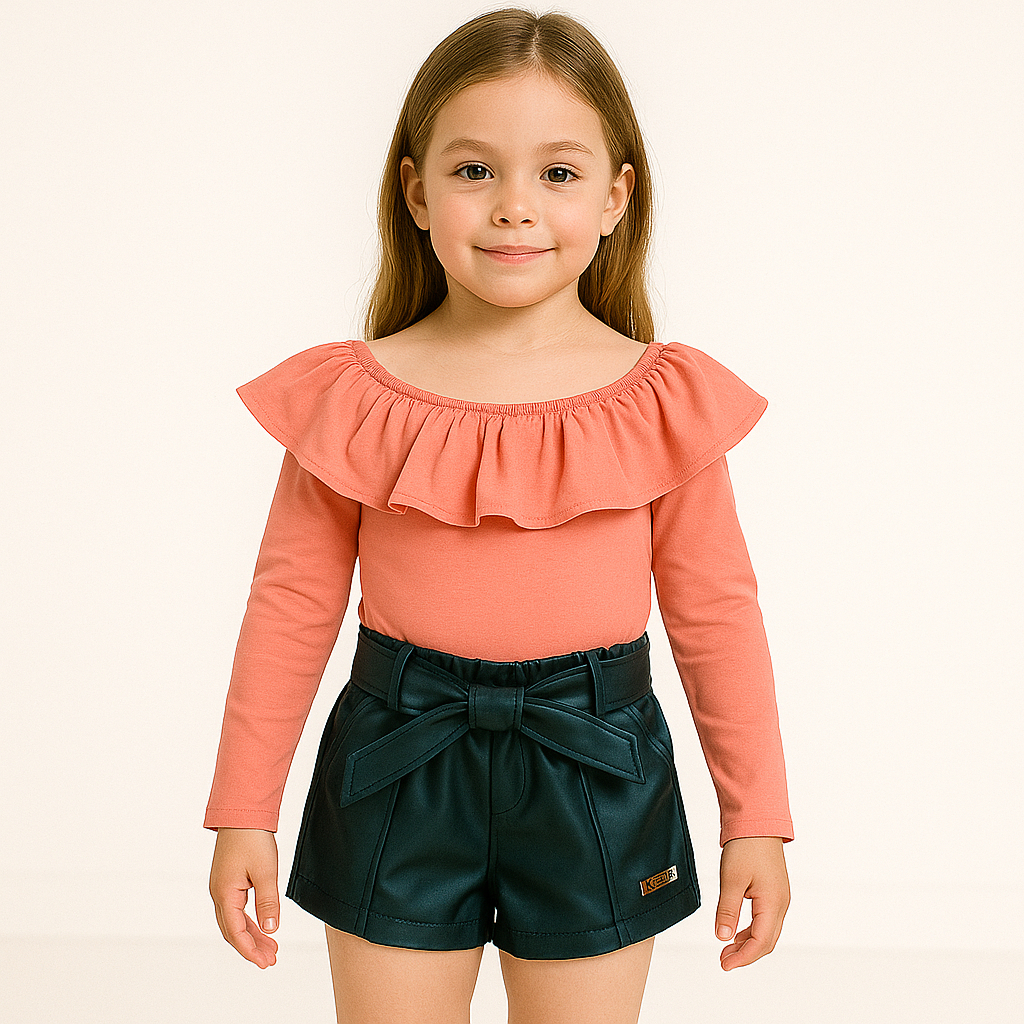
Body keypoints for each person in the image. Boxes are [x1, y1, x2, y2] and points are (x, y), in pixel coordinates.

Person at [205, 7, 793, 1023]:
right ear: (415, 192)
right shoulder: (353, 397)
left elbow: (717, 614)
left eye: (557, 173)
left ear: (615, 197)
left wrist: (757, 820)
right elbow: (290, 605)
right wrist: (243, 812)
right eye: (474, 170)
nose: (514, 207)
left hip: (597, 768)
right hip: (395, 764)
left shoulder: (664, 401)